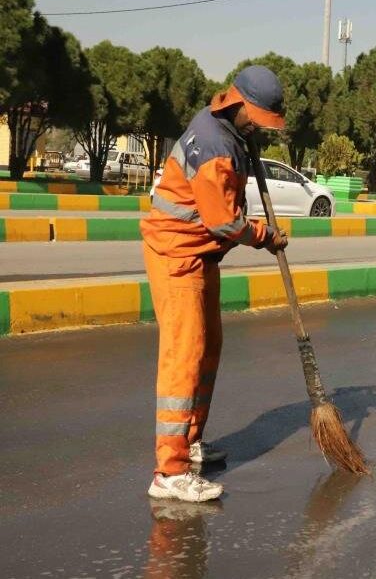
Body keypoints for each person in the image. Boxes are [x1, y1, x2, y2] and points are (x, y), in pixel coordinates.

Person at [140, 65, 289, 502]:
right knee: (183, 357)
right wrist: (265, 236)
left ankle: (190, 443)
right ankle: (169, 471)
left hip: (200, 253)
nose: (261, 128)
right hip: (177, 254)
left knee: (209, 348)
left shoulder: (228, 130)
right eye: (258, 120)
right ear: (239, 105)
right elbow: (224, 222)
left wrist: (249, 141)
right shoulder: (213, 145)